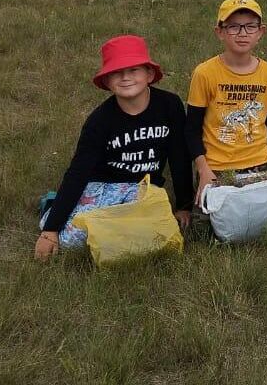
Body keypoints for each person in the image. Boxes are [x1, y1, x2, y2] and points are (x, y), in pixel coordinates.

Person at [35, 35, 195, 261]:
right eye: (117, 72)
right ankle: (52, 207)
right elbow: (78, 172)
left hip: (143, 189)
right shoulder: (100, 121)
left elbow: (180, 156)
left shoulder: (169, 105)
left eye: (134, 70)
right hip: (103, 187)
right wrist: (50, 230)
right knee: (71, 239)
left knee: (159, 233)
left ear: (149, 75)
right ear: (107, 81)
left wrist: (184, 206)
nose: (126, 77)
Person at [186, 0, 267, 190]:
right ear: (220, 32)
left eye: (250, 26)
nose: (242, 33)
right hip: (217, 167)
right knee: (215, 220)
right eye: (233, 26)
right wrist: (203, 169)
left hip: (262, 162)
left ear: (261, 32)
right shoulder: (205, 73)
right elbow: (191, 129)